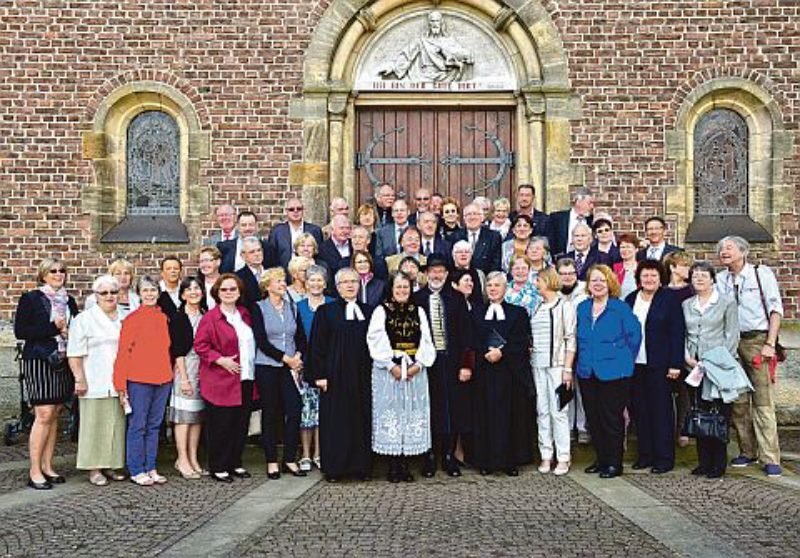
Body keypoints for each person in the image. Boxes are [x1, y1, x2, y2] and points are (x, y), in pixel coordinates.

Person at [716, 235, 784, 477]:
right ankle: (747, 450)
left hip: (757, 340)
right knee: (738, 401)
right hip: (731, 343)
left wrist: (770, 343)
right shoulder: (720, 279)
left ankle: (770, 456)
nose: (724, 251)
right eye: (722, 248)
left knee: (763, 401)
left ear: (743, 251)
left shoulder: (760, 274)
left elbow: (776, 310)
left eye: (729, 248)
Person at [14, 258, 79, 490]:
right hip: (39, 361)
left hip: (63, 360)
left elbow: (76, 328)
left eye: (62, 270)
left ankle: (47, 465)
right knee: (43, 414)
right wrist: (54, 327)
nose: (58, 274)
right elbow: (21, 331)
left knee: (55, 413)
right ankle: (34, 471)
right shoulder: (31, 299)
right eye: (53, 271)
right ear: (43, 274)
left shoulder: (69, 301)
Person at [368, 272, 436, 482]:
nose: (402, 291)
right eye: (398, 287)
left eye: (406, 287)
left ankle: (406, 463)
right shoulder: (381, 311)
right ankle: (393, 464)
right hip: (390, 371)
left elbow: (426, 338)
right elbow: (375, 338)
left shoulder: (419, 311)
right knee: (392, 412)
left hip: (414, 368)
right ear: (391, 289)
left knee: (410, 413)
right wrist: (390, 365)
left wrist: (419, 364)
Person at [307, 268, 374, 482]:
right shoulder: (326, 312)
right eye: (345, 282)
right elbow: (317, 346)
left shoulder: (370, 311)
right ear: (337, 287)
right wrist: (319, 375)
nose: (350, 285)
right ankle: (335, 468)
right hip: (335, 376)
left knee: (361, 419)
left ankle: (361, 467)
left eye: (354, 281)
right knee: (336, 422)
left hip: (363, 375)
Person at [576, 265, 641, 478]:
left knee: (611, 419)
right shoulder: (583, 308)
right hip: (588, 371)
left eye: (602, 280)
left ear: (610, 284)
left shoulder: (619, 308)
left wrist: (620, 358)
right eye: (593, 280)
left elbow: (634, 337)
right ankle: (601, 458)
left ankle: (614, 462)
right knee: (593, 418)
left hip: (615, 372)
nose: (597, 284)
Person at [414, 256, 476, 477]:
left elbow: (466, 333)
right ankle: (430, 455)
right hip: (426, 363)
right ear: (427, 273)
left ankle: (449, 455)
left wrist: (466, 365)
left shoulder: (457, 299)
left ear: (447, 274)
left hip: (451, 361)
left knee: (452, 409)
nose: (437, 275)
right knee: (429, 408)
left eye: (441, 271)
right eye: (433, 271)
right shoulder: (417, 298)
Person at [194, 273, 256, 483]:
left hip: (245, 377)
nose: (229, 293)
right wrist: (220, 360)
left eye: (233, 289)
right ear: (217, 292)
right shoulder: (210, 318)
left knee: (240, 424)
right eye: (224, 290)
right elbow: (200, 346)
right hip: (220, 380)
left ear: (239, 292)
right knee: (221, 425)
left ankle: (234, 463)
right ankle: (218, 466)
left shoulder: (245, 314)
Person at [624, 260, 686, 474]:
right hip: (635, 365)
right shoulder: (631, 299)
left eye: (653, 276)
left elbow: (678, 332)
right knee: (640, 412)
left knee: (661, 412)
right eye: (645, 276)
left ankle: (664, 458)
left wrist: (675, 363)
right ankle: (645, 455)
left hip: (661, 365)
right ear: (639, 279)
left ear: (661, 278)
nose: (649, 279)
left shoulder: (670, 299)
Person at [472, 272, 535, 476]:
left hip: (510, 373)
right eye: (489, 285)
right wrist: (486, 353)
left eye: (496, 285)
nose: (492, 288)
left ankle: (510, 461)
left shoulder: (518, 313)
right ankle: (486, 461)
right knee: (484, 416)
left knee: (510, 416)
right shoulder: (476, 312)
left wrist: (502, 352)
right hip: (485, 373)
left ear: (505, 288)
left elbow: (522, 341)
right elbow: (471, 339)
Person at [113, 276, 173, 486]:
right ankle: (137, 468)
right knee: (138, 425)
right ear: (139, 294)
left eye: (153, 290)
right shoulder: (132, 319)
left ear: (158, 293)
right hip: (139, 379)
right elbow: (123, 353)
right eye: (145, 290)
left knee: (155, 425)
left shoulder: (163, 318)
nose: (150, 294)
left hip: (163, 378)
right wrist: (120, 384)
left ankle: (151, 466)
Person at [683, 261, 741, 478]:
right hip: (694, 367)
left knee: (719, 414)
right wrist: (688, 359)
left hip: (719, 367)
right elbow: (684, 335)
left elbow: (732, 335)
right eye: (695, 275)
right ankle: (703, 461)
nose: (698, 279)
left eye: (703, 276)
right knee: (699, 412)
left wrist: (716, 362)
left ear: (712, 279)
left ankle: (718, 463)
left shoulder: (726, 302)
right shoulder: (687, 304)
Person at [67, 275, 125, 486]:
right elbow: (74, 353)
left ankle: (111, 463)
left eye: (113, 292)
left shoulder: (124, 316)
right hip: (94, 378)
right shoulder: (84, 319)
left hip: (118, 380)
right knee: (94, 424)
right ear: (96, 296)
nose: (109, 296)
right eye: (104, 293)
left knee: (116, 424)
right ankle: (94, 468)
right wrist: (79, 379)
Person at [252, 268, 308, 479]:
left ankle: (290, 459)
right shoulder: (259, 308)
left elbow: (300, 336)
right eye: (278, 281)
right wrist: (287, 359)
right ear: (267, 286)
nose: (283, 284)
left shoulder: (291, 307)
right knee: (271, 412)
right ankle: (271, 460)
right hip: (267, 366)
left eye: (283, 281)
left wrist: (298, 356)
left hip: (289, 368)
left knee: (295, 409)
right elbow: (262, 341)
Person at [530, 268, 576, 476]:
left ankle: (563, 456)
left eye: (538, 280)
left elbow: (570, 338)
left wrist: (567, 368)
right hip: (537, 364)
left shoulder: (564, 305)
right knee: (542, 410)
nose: (536, 284)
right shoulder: (538, 306)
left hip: (557, 365)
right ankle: (546, 454)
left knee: (559, 411)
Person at [168, 277, 207, 480]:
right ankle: (181, 458)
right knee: (184, 417)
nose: (194, 292)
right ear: (182, 295)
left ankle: (193, 457)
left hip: (204, 370)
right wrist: (184, 379)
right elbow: (178, 352)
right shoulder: (178, 318)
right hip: (185, 368)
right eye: (189, 289)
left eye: (197, 288)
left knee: (197, 417)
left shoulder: (206, 315)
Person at [295, 265, 331, 472]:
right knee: (306, 412)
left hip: (328, 367)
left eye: (319, 280)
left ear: (325, 284)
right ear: (305, 284)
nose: (316, 284)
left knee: (323, 412)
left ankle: (320, 453)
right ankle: (306, 454)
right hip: (305, 366)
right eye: (312, 280)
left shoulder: (334, 305)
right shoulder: (297, 307)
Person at [663, 249, 694, 447]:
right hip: (666, 346)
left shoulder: (690, 290)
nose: (688, 270)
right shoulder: (663, 291)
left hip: (688, 345)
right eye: (684, 266)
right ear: (673, 267)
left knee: (685, 391)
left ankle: (683, 429)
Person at [556, 258, 590, 444]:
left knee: (582, 388)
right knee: (566, 386)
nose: (567, 277)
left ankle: (583, 427)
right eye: (563, 274)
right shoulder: (553, 293)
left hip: (583, 344)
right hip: (562, 347)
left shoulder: (586, 291)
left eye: (571, 273)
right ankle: (568, 427)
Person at [267, 197, 323, 271]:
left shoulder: (315, 230)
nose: (295, 211)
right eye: (291, 209)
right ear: (286, 211)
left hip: (309, 273)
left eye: (299, 209)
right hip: (284, 275)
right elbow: (272, 257)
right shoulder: (277, 232)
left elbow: (319, 254)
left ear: (303, 210)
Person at [452, 202, 502, 274]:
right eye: (469, 214)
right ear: (464, 218)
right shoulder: (455, 236)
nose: (472, 217)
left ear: (482, 218)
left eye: (475, 214)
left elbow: (495, 265)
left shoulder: (494, 237)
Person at [548, 186, 594, 255]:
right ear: (579, 202)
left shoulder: (591, 220)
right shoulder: (557, 218)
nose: (592, 206)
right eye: (589, 203)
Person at [318, 215, 353, 285]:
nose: (345, 231)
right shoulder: (322, 249)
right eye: (341, 228)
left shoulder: (354, 245)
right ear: (332, 230)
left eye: (348, 228)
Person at [235, 236, 267, 309]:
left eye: (259, 250)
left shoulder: (272, 273)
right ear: (243, 256)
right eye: (252, 252)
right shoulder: (238, 278)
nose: (257, 254)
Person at [451, 240, 485, 308]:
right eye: (459, 252)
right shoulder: (448, 274)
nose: (463, 254)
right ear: (453, 255)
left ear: (471, 255)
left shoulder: (479, 274)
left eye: (467, 252)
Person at [613, 233, 640, 300]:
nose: (625, 250)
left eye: (628, 247)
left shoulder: (642, 268)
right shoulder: (615, 268)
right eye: (622, 247)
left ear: (636, 249)